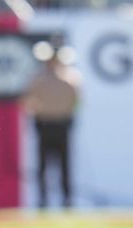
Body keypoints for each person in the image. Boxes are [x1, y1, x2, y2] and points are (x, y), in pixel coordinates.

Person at [22, 38, 81, 208]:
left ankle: (64, 199)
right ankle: (46, 200)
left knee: (61, 166)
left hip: (56, 123)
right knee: (47, 166)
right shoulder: (67, 78)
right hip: (48, 123)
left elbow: (27, 101)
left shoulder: (48, 78)